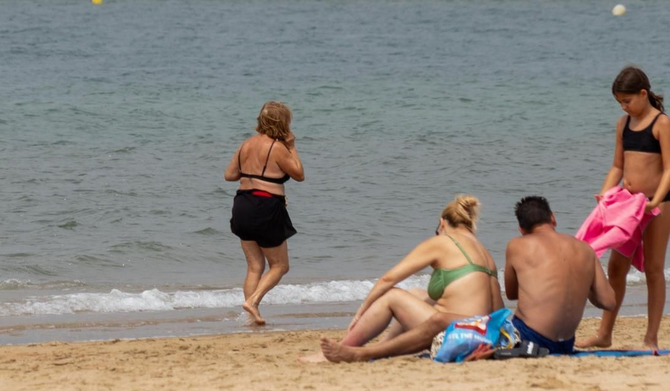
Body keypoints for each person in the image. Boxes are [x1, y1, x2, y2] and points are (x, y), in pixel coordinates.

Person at [314, 195, 500, 363]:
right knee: (415, 294)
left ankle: (342, 350)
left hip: (458, 333)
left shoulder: (444, 241)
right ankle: (384, 347)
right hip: (483, 334)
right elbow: (497, 309)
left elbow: (388, 279)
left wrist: (360, 311)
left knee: (392, 296)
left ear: (441, 223)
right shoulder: (484, 253)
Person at [580, 66, 670, 349]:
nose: (624, 106)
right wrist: (605, 193)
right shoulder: (623, 124)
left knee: (654, 269)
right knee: (616, 267)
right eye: (620, 102)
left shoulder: (661, 123)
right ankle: (604, 334)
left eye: (627, 101)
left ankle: (651, 337)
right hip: (628, 205)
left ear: (643, 94)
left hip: (657, 205)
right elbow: (617, 167)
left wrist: (656, 200)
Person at [496, 196, 617, 354]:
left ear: (522, 230)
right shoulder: (585, 249)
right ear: (553, 217)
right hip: (565, 343)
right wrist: (582, 284)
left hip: (531, 338)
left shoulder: (517, 245)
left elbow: (512, 294)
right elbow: (608, 301)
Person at [223, 102, 304, 324]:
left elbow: (229, 175)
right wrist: (292, 146)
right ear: (283, 123)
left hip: (242, 205)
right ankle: (253, 302)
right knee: (280, 266)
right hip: (266, 206)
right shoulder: (278, 148)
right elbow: (299, 174)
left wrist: (253, 171)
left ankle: (250, 318)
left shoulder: (246, 144)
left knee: (254, 266)